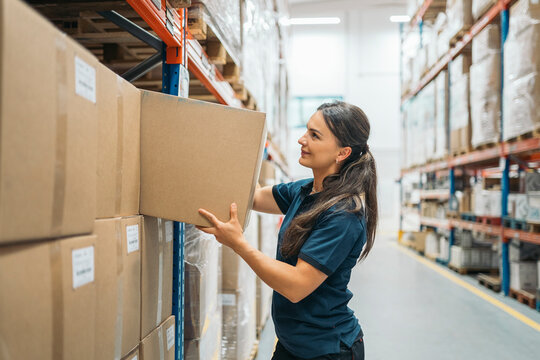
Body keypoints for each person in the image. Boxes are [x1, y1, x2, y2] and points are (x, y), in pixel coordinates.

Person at [196, 101, 377, 360]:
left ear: (342, 152)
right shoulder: (304, 191)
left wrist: (239, 244)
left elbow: (296, 285)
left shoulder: (343, 214)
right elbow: (256, 196)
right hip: (293, 344)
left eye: (314, 136)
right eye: (306, 131)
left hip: (326, 350)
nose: (302, 140)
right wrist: (230, 142)